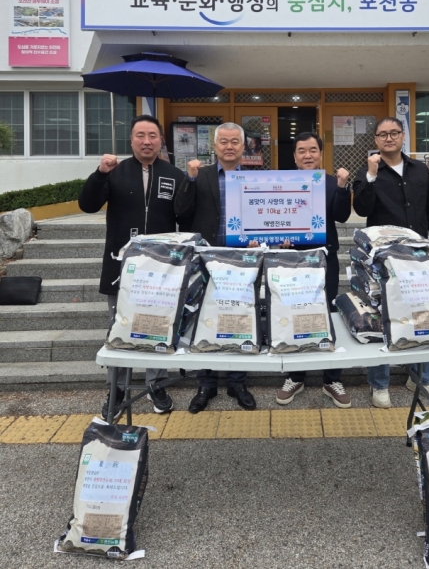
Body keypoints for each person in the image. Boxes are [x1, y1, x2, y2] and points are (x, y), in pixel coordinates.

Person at [78, 115, 188, 421]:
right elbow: (87, 204)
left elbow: (185, 216)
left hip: (161, 266)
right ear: (131, 140)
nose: (146, 141)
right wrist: (100, 173)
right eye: (140, 135)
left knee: (158, 325)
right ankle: (117, 389)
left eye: (152, 135)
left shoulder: (174, 174)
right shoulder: (115, 171)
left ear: (161, 140)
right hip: (120, 265)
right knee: (119, 326)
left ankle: (156, 384)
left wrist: (191, 183)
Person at [353, 116, 429, 409]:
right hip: (382, 258)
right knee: (381, 316)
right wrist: (370, 176)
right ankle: (379, 383)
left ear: (403, 136)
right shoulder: (367, 171)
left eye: (394, 132)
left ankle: (423, 377)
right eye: (383, 134)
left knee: (425, 314)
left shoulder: (419, 170)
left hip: (418, 256)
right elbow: (362, 209)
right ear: (375, 140)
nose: (389, 138)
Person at [174, 122, 257, 414]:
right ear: (215, 145)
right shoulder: (201, 175)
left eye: (235, 141)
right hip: (207, 259)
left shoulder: (255, 179)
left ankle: (237, 382)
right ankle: (206, 383)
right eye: (224, 141)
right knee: (205, 318)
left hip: (241, 260)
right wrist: (189, 179)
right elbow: (180, 212)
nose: (229, 146)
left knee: (240, 318)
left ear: (243, 146)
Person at [275, 132, 353, 408]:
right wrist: (278, 237)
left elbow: (342, 216)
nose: (307, 155)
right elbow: (273, 216)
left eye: (312, 150)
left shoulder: (331, 182)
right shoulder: (281, 183)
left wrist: (342, 187)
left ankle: (332, 378)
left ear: (321, 154)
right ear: (294, 156)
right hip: (292, 259)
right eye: (301, 151)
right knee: (294, 313)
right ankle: (295, 376)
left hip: (325, 259)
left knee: (327, 313)